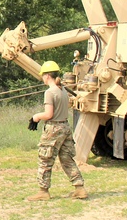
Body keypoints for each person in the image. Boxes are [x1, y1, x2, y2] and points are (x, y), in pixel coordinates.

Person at [27, 60, 88, 201]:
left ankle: (43, 191)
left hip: (53, 129)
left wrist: (36, 117)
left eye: (43, 75)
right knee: (67, 159)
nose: (42, 78)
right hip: (65, 127)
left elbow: (48, 114)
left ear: (47, 76)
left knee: (45, 159)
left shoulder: (50, 92)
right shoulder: (63, 91)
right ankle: (80, 188)